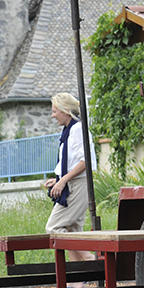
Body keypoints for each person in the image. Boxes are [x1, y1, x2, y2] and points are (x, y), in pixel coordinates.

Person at [43, 93, 97, 263]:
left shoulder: (78, 129)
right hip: (72, 183)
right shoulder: (69, 130)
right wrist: (58, 179)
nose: (52, 115)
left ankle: (89, 258)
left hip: (78, 185)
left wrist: (63, 180)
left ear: (66, 110)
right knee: (72, 230)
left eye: (54, 111)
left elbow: (85, 161)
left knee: (53, 227)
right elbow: (72, 161)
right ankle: (78, 281)